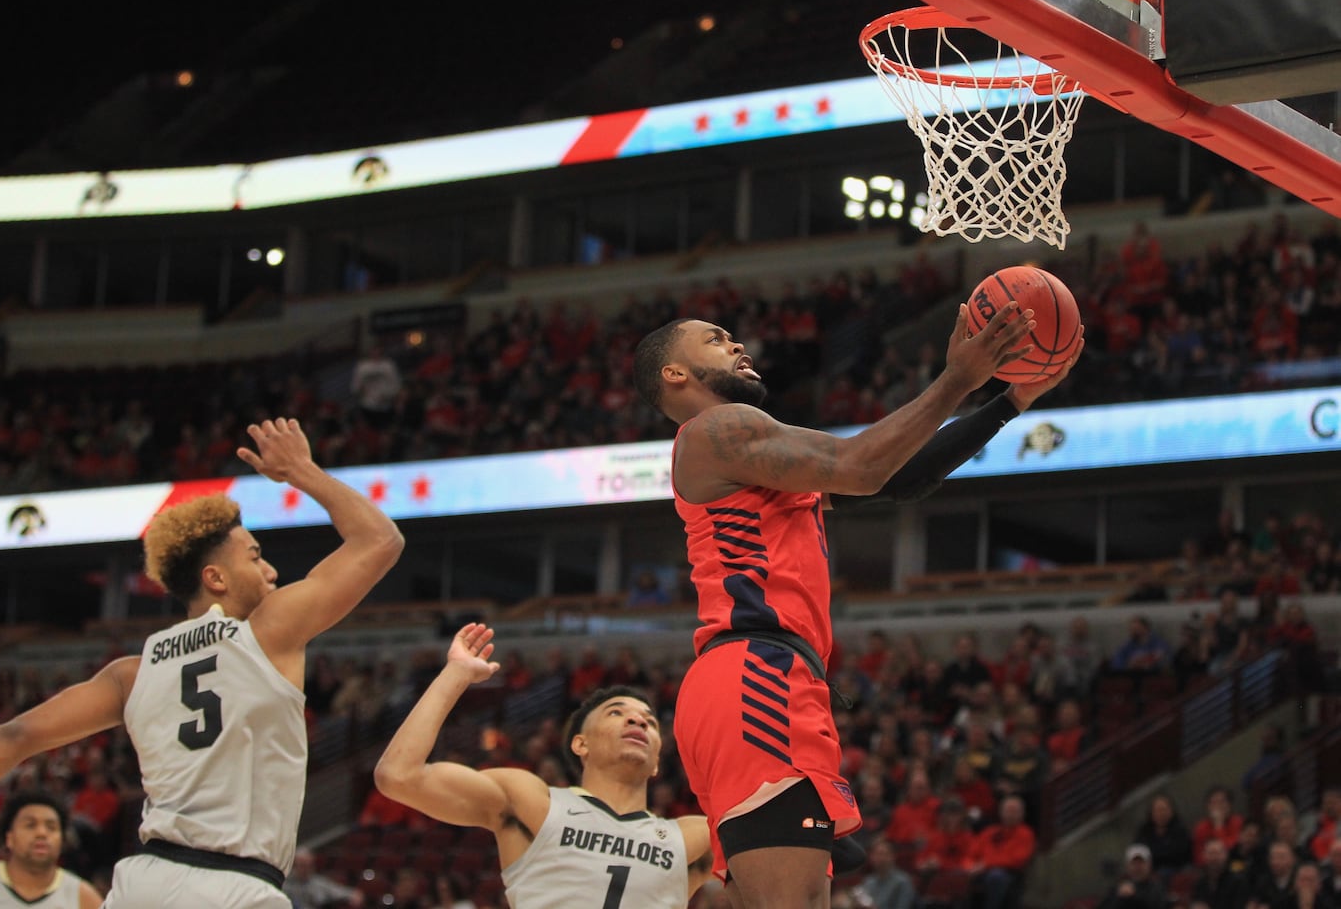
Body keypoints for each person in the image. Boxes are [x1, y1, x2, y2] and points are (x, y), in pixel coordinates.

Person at [632, 304, 1080, 907]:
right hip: (756, 676)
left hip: (752, 677)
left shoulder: (750, 461)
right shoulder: (719, 429)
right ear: (675, 375)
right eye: (715, 340)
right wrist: (958, 377)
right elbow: (860, 465)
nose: (737, 345)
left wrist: (1008, 402)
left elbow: (898, 479)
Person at [0, 418, 405, 908]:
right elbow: (380, 541)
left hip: (143, 883)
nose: (270, 570)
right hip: (235, 885)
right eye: (254, 557)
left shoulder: (131, 673)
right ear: (216, 578)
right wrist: (302, 471)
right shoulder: (268, 630)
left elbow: (14, 738)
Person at [373, 623, 712, 908]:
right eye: (616, 712)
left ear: (657, 761)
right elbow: (398, 775)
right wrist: (455, 674)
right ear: (581, 744)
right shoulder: (535, 803)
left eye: (650, 722)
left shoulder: (696, 837)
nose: (638, 720)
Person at [0, 789, 102, 908]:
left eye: (51, 827)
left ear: (62, 841)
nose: (42, 833)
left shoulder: (84, 897)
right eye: (30, 825)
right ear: (9, 838)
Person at [282, 848, 363, 908]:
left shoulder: (319, 882)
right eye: (302, 865)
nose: (307, 869)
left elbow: (339, 891)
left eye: (309, 865)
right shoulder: (285, 884)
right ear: (294, 866)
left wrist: (353, 894)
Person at [1099, 844, 1167, 909]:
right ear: (1127, 866)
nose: (1137, 867)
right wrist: (1119, 898)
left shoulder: (1156, 887)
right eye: (1134, 863)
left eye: (1141, 863)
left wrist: (1134, 896)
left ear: (1149, 865)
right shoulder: (1118, 887)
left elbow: (1157, 905)